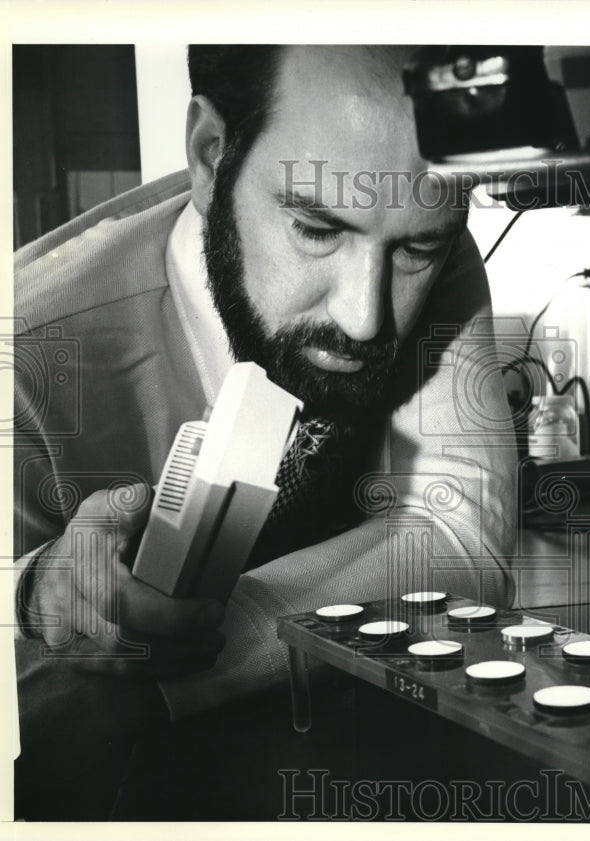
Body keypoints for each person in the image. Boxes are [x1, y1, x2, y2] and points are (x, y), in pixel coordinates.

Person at [11, 45, 517, 809]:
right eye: (316, 229)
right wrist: (35, 588)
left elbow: (461, 535)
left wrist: (172, 670)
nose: (365, 313)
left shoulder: (427, 231)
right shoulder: (26, 352)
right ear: (211, 157)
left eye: (415, 248)